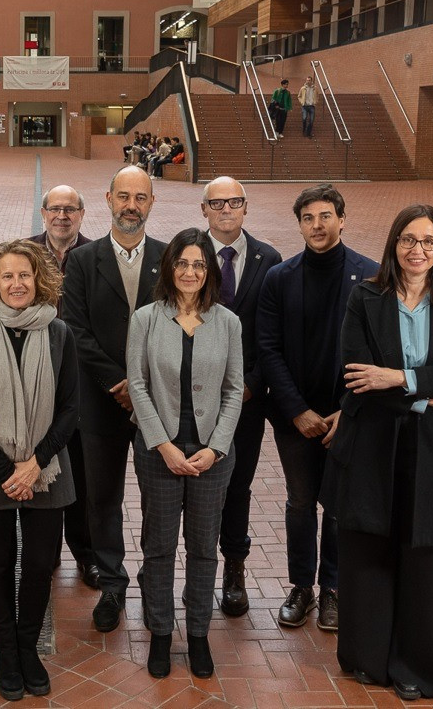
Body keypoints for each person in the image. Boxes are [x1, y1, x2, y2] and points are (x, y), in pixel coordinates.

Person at [332, 204, 433, 701]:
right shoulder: (364, 297)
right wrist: (428, 391)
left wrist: (400, 377)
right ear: (393, 243)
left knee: (431, 560)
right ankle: (368, 658)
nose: (417, 250)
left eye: (429, 242)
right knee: (370, 551)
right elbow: (358, 376)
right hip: (374, 443)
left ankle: (420, 667)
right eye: (408, 239)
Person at [0, 239, 79, 701]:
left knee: (41, 563)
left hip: (45, 467)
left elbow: (69, 409)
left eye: (24, 274)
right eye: (7, 275)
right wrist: (7, 468)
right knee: (0, 564)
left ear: (38, 279)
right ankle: (6, 652)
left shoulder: (59, 333)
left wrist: (35, 463)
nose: (16, 283)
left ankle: (29, 649)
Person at [256, 183, 377, 632]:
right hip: (297, 418)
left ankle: (333, 589)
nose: (317, 225)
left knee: (340, 505)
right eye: (308, 218)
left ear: (342, 220)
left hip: (350, 416)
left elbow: (379, 352)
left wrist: (348, 409)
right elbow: (268, 350)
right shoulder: (280, 278)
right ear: (300, 225)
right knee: (301, 502)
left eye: (326, 216)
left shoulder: (370, 276)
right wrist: (296, 410)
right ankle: (301, 586)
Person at [128, 228, 244, 679]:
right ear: (168, 268)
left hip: (212, 455)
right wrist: (162, 444)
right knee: (158, 546)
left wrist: (216, 447)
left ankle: (197, 632)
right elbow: (136, 384)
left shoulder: (228, 322)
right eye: (182, 263)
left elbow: (235, 389)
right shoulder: (146, 319)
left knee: (203, 548)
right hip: (159, 451)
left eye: (199, 264)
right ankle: (160, 631)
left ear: (209, 270)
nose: (191, 272)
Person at [61, 166, 167, 633]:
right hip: (100, 403)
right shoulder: (83, 261)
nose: (131, 204)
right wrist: (118, 383)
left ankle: (154, 581)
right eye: (123, 195)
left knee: (156, 498)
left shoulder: (170, 258)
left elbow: (176, 328)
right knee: (101, 498)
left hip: (156, 406)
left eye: (139, 197)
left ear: (151, 202)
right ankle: (112, 583)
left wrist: (140, 384)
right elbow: (76, 332)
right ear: (107, 198)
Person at [202, 177, 282, 617]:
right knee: (195, 485)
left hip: (248, 398)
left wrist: (253, 383)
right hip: (194, 399)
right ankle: (200, 568)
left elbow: (275, 334)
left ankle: (234, 567)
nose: (226, 209)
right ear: (204, 209)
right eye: (217, 202)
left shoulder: (270, 259)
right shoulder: (189, 254)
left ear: (245, 207)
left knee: (238, 484)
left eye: (234, 202)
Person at [27, 184, 96, 588]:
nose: (63, 216)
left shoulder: (93, 253)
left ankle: (86, 554)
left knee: (82, 474)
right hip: (35, 378)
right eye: (56, 208)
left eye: (71, 209)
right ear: (43, 212)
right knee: (42, 467)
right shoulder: (26, 253)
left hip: (80, 379)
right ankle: (46, 552)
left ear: (82, 215)